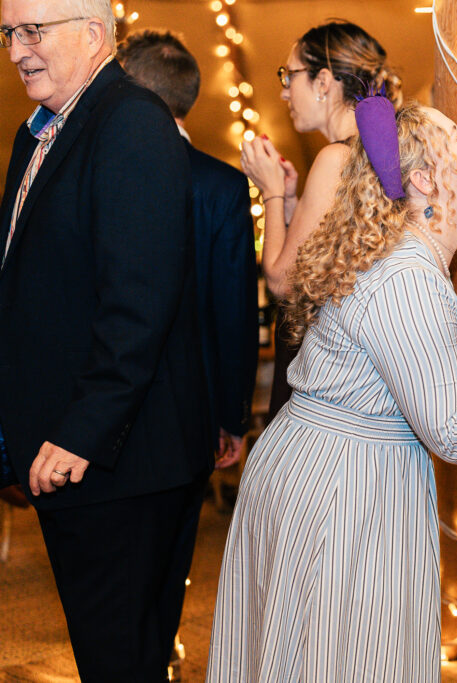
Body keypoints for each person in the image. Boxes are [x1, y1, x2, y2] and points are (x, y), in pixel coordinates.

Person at [206, 101, 457, 681]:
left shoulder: (408, 263)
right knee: (336, 654)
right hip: (342, 485)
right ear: (427, 180)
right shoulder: (409, 278)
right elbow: (455, 430)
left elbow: (443, 374)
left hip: (328, 463)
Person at [0, 0, 211, 678]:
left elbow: (139, 305)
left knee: (118, 660)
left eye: (33, 31)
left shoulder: (131, 124)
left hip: (116, 462)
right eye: (8, 33)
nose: (16, 51)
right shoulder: (37, 134)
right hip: (69, 452)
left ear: (93, 33)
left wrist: (82, 433)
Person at [240, 21, 402, 420]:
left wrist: (271, 192)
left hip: (323, 360)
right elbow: (324, 251)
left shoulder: (336, 158)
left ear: (324, 81)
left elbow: (283, 280)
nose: (283, 90)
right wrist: (294, 201)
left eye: (289, 75)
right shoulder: (368, 151)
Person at [119, 29, 259, 471]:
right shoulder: (224, 185)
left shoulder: (99, 176)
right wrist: (231, 414)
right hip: (190, 417)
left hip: (103, 419)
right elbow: (235, 311)